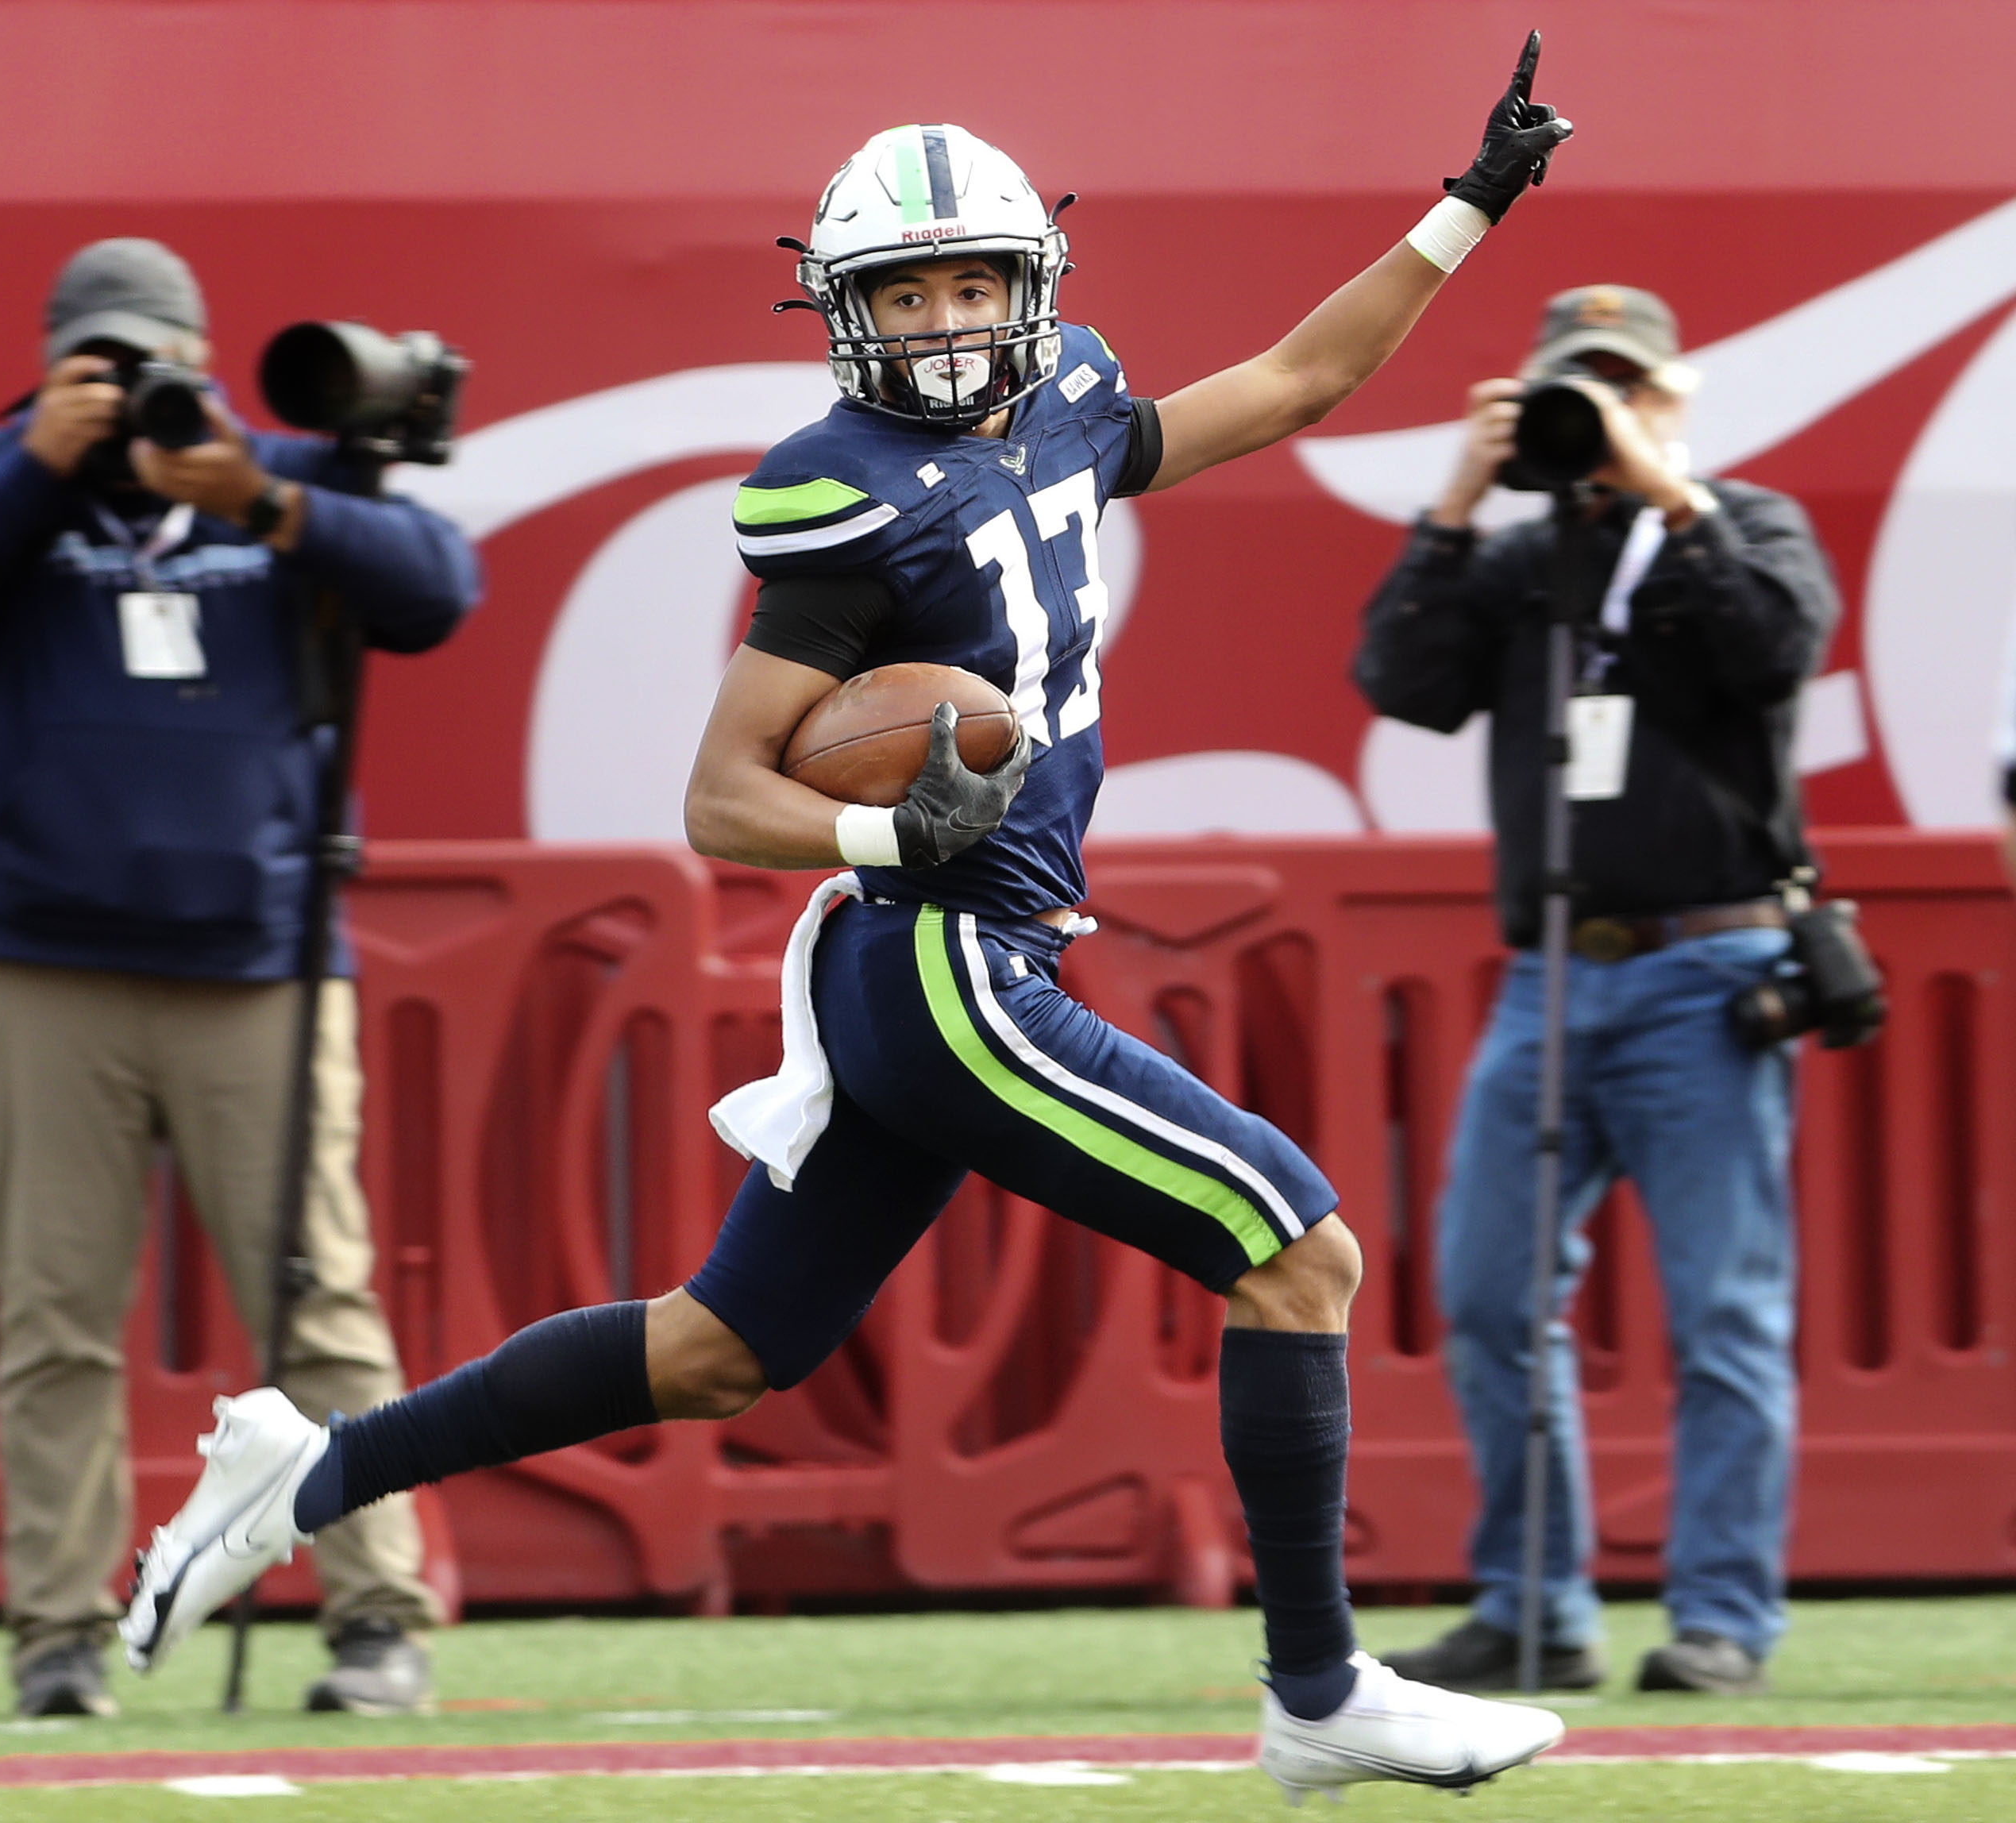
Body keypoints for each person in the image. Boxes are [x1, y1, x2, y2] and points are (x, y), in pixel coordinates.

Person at [125, 40, 1572, 1804]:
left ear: (1032, 284)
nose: (952, 315)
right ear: (842, 305)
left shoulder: (1069, 406)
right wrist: (896, 816)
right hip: (946, 960)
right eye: (911, 286)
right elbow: (721, 796)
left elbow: (1294, 381)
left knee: (718, 1348)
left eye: (976, 278)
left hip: (950, 973)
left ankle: (309, 1470)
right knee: (1301, 1248)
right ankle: (1321, 1687)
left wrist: (1469, 204)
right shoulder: (836, 490)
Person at [0, 238, 480, 1718]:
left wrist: (255, 498)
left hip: (257, 956)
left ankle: (376, 1617)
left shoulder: (263, 468)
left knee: (318, 1299)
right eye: (103, 366)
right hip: (40, 954)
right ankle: (59, 1640)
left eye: (156, 365)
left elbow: (437, 587)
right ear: (56, 363)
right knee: (55, 1313)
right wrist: (29, 464)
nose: (134, 395)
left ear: (201, 355)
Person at [1353, 285, 1841, 1696]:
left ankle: (1723, 1621)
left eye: (1627, 389)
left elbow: (1774, 653)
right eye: (1580, 392)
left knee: (1724, 1313)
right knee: (1490, 1293)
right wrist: (1456, 501)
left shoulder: (1749, 527)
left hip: (1714, 963)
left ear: (1678, 396)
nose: (1603, 416)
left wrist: (1664, 495)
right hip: (1553, 980)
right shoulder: (1524, 565)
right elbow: (1401, 679)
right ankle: (1533, 1606)